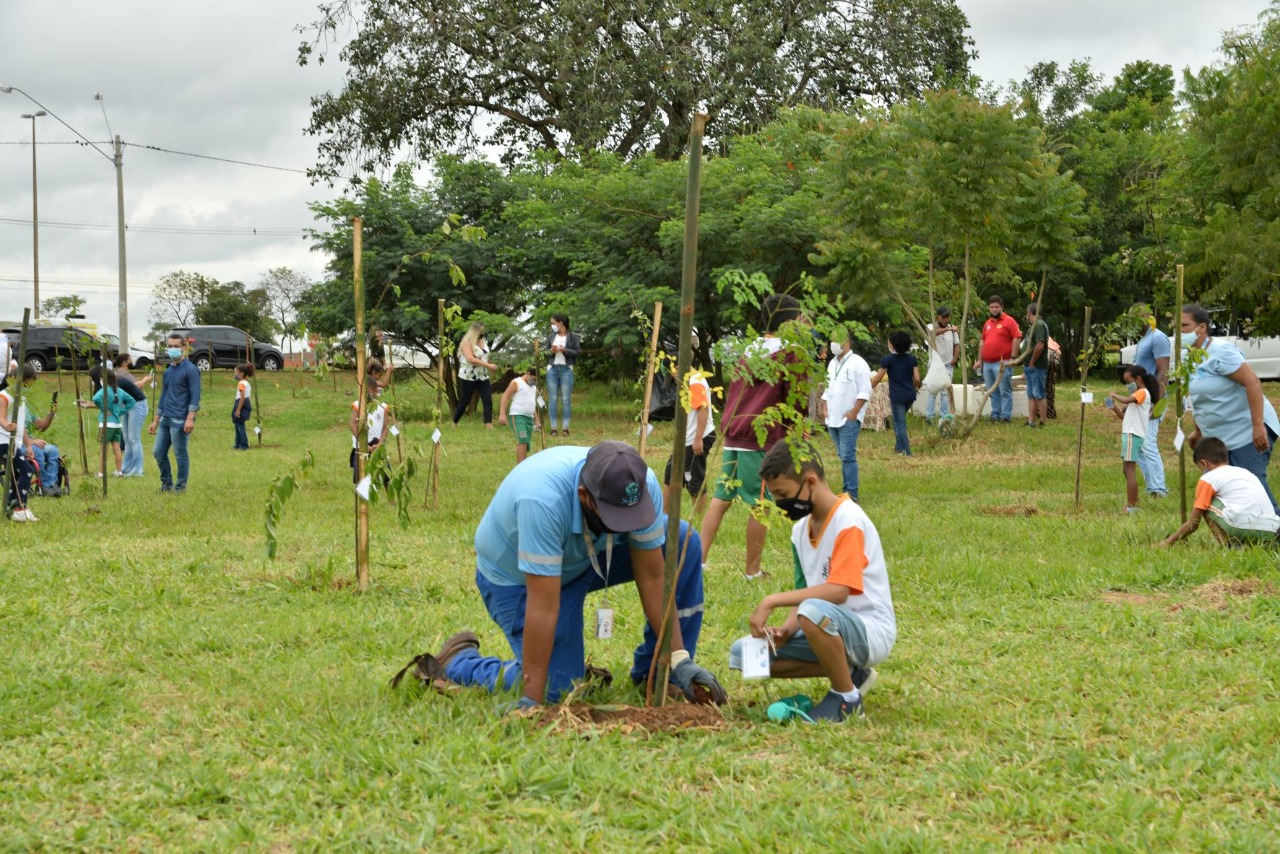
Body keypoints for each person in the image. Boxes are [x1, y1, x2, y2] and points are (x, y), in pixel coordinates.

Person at [424, 440, 726, 711]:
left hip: (582, 557)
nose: (625, 527)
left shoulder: (638, 486)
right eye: (615, 519)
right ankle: (460, 662)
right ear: (584, 496)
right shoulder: (542, 501)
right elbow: (543, 607)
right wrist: (532, 698)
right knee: (558, 690)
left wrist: (679, 657)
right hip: (517, 580)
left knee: (682, 543)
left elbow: (652, 578)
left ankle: (658, 673)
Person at [731, 440, 895, 722]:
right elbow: (804, 593)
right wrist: (786, 630)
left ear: (810, 481)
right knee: (745, 655)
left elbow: (838, 591)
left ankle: (847, 698)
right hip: (822, 624)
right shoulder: (799, 532)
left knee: (813, 610)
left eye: (782, 494)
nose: (780, 504)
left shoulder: (849, 521)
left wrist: (771, 600)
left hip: (869, 632)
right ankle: (853, 674)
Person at [700, 293, 805, 580]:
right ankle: (752, 572)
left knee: (721, 499)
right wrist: (797, 432)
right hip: (760, 438)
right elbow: (796, 400)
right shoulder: (791, 352)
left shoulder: (751, 350)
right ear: (790, 322)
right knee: (762, 504)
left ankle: (698, 563)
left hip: (734, 434)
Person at [1181, 304, 1280, 513]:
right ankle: (1243, 536)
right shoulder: (1188, 357)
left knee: (1252, 486)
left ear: (1202, 327)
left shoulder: (1221, 352)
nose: (1180, 331)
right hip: (1220, 438)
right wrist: (1199, 431)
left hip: (1247, 432)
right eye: (1177, 327)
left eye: (1185, 325)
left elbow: (1252, 382)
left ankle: (1275, 529)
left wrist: (1258, 425)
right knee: (1228, 490)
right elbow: (1199, 397)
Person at [1160, 438, 1280, 547]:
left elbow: (1193, 523)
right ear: (1226, 459)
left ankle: (1228, 546)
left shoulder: (1208, 478)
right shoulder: (1245, 472)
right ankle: (1255, 545)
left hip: (1240, 527)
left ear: (1204, 463)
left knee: (1205, 505)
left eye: (1200, 468)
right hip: (1271, 529)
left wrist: (1167, 542)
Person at [821, 326, 872, 501]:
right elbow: (829, 388)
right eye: (832, 341)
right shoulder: (832, 363)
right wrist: (825, 406)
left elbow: (865, 391)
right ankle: (845, 491)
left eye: (837, 341)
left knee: (848, 455)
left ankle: (851, 494)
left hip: (849, 417)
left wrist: (854, 412)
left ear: (847, 343)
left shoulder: (858, 363)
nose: (833, 345)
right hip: (832, 417)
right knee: (842, 455)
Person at [150, 331, 202, 493]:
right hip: (165, 418)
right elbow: (164, 396)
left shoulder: (191, 370)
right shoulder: (168, 371)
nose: (172, 349)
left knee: (180, 454)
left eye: (176, 347)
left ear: (184, 348)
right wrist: (156, 420)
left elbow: (195, 396)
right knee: (158, 452)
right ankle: (166, 483)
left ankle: (180, 486)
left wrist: (190, 418)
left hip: (181, 418)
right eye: (170, 346)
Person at [663, 366, 717, 519]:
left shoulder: (695, 382)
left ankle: (697, 520)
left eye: (672, 374)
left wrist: (698, 439)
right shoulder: (688, 380)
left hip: (697, 438)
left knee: (694, 480)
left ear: (678, 367)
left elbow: (703, 410)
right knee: (671, 474)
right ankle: (663, 517)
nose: (673, 379)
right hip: (686, 440)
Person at [1106, 364, 1159, 514]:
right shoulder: (1137, 397)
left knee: (1129, 471)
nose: (1128, 385)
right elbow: (1125, 417)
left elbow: (1126, 400)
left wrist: (1114, 395)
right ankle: (1134, 503)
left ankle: (1132, 506)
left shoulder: (1142, 392)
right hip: (1129, 434)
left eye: (1129, 381)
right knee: (1126, 469)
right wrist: (1113, 407)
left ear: (1138, 379)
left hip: (1132, 435)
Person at [1130, 316, 1171, 497]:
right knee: (1139, 446)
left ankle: (1159, 489)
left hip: (1152, 399)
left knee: (1148, 443)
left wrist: (1158, 401)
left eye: (1135, 317)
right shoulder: (1144, 339)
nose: (1131, 321)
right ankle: (1152, 487)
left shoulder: (1157, 337)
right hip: (1141, 398)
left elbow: (1164, 369)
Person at [872, 330, 921, 456]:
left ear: (893, 344)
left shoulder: (887, 360)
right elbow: (917, 379)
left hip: (897, 396)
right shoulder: (912, 359)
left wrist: (866, 389)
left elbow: (878, 378)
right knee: (898, 419)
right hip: (910, 395)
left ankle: (907, 452)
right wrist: (916, 388)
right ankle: (898, 447)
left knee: (899, 424)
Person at [974, 295, 1022, 423]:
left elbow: (1017, 337)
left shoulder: (1009, 321)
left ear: (1001, 307)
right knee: (992, 391)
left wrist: (1013, 357)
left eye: (996, 307)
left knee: (1004, 390)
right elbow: (982, 342)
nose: (994, 309)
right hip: (987, 364)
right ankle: (995, 415)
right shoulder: (987, 323)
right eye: (991, 307)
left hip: (1002, 362)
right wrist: (979, 360)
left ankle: (1005, 417)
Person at [17, 367, 63, 496]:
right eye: (29, 384)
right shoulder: (11, 404)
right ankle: (45, 487)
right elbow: (14, 429)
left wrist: (51, 413)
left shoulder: (27, 405)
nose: (30, 387)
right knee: (37, 451)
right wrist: (32, 442)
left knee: (53, 450)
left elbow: (41, 426)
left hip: (29, 443)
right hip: (18, 444)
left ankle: (52, 484)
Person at [81, 368, 136, 478]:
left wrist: (104, 408)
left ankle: (101, 473)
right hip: (117, 424)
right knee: (117, 448)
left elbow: (96, 398)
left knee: (103, 450)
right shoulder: (118, 391)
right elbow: (132, 401)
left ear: (102, 379)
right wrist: (121, 411)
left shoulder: (104, 390)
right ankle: (119, 472)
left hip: (106, 425)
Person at [1, 366, 38, 521]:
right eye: (30, 382)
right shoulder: (4, 396)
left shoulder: (21, 398)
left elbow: (20, 424)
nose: (31, 385)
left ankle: (9, 508)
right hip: (3, 441)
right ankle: (20, 507)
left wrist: (28, 445)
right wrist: (5, 425)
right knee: (27, 470)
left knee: (17, 474)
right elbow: (1, 417)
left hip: (15, 443)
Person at [350, 371, 395, 483]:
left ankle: (392, 500)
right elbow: (353, 424)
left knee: (386, 477)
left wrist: (379, 444)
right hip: (360, 447)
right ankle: (363, 499)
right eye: (372, 390)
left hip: (376, 446)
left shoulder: (382, 407)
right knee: (360, 478)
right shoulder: (358, 406)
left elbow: (385, 427)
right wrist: (363, 442)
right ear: (363, 390)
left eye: (376, 390)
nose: (374, 393)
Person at [453, 321, 499, 428]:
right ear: (475, 331)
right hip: (468, 376)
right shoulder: (467, 342)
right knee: (465, 400)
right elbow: (470, 359)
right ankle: (455, 421)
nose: (483, 333)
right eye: (481, 331)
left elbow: (485, 355)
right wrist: (488, 366)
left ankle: (488, 423)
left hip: (482, 375)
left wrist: (490, 364)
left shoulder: (482, 340)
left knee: (487, 398)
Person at [113, 353, 152, 476]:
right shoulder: (121, 374)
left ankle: (137, 470)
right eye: (129, 359)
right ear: (124, 362)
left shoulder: (119, 375)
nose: (131, 362)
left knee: (134, 438)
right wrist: (146, 379)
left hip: (138, 405)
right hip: (128, 405)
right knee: (127, 439)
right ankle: (126, 467)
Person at [544, 314, 581, 436]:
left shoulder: (573, 336)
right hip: (552, 369)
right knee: (553, 399)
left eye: (554, 323)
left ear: (561, 323)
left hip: (566, 369)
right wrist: (552, 351)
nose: (552, 325)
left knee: (566, 399)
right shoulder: (551, 336)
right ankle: (553, 428)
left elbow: (577, 352)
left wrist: (564, 350)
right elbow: (546, 353)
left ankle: (565, 428)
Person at [498, 365, 540, 464]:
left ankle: (524, 464)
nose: (534, 382)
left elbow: (531, 403)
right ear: (528, 374)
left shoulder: (533, 387)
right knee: (522, 439)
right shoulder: (516, 382)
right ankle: (520, 466)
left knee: (526, 443)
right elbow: (505, 396)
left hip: (529, 418)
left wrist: (537, 419)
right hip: (518, 416)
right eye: (533, 379)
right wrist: (502, 414)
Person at [923, 308, 959, 423]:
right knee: (932, 391)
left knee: (945, 392)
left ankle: (944, 417)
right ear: (938, 317)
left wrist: (955, 358)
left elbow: (956, 344)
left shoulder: (952, 328)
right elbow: (932, 334)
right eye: (943, 317)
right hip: (935, 364)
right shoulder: (930, 326)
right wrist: (948, 329)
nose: (946, 319)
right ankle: (930, 417)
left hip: (948, 364)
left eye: (947, 317)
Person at [1021, 302, 1050, 428]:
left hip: (1037, 366)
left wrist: (1032, 362)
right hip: (1029, 366)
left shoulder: (1038, 325)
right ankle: (1031, 421)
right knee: (1031, 395)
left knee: (1039, 394)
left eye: (1027, 313)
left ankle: (1043, 421)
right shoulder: (1033, 325)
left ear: (1029, 312)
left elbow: (1040, 345)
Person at [232, 363, 254, 450]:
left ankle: (244, 445)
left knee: (240, 426)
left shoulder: (241, 384)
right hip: (245, 403)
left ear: (241, 373)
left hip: (240, 404)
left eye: (236, 373)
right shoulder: (246, 383)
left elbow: (242, 397)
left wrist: (238, 410)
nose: (235, 375)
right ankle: (237, 444)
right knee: (237, 425)